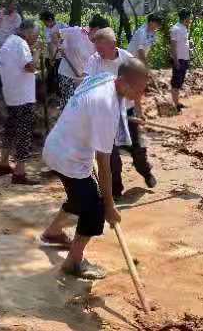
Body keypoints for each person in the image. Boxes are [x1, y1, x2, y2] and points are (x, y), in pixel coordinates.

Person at [39, 59, 150, 279]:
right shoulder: (106, 107)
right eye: (138, 90)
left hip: (58, 146)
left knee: (80, 197)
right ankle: (74, 262)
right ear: (126, 83)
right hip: (70, 158)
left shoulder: (106, 78)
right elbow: (104, 164)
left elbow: (93, 110)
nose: (140, 96)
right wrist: (108, 205)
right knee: (94, 208)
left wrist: (127, 117)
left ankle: (52, 233)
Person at [86, 28, 157, 198]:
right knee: (111, 157)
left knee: (137, 150)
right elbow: (87, 86)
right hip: (106, 115)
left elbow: (138, 87)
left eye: (101, 49)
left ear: (113, 45)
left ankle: (146, 172)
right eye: (96, 49)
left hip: (127, 110)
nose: (98, 53)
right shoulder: (94, 61)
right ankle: (115, 191)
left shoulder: (127, 59)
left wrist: (139, 112)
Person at [0, 20, 41, 185]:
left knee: (10, 129)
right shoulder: (21, 44)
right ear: (28, 33)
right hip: (23, 97)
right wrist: (36, 53)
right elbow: (30, 66)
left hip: (11, 95)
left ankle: (3, 163)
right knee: (23, 133)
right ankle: (19, 172)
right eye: (35, 36)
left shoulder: (8, 43)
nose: (35, 39)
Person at [56, 14, 109, 109]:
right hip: (66, 75)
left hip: (82, 79)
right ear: (96, 28)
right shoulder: (77, 32)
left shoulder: (98, 44)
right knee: (70, 107)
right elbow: (56, 34)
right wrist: (59, 45)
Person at [39, 11, 67, 95]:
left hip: (60, 57)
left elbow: (66, 38)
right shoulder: (47, 29)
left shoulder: (62, 26)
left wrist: (60, 41)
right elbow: (49, 45)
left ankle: (59, 94)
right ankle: (49, 93)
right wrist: (52, 59)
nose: (44, 24)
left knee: (60, 75)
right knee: (50, 75)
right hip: (50, 56)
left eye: (45, 21)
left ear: (50, 19)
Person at [170, 9, 192, 112]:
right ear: (185, 17)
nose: (190, 19)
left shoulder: (184, 28)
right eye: (189, 17)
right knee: (175, 83)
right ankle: (175, 105)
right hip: (179, 59)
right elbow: (173, 46)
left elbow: (184, 43)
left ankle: (177, 103)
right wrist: (176, 61)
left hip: (185, 58)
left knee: (179, 83)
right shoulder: (176, 29)